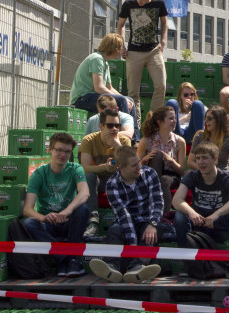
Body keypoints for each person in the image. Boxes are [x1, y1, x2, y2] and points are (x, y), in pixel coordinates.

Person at [172, 141, 229, 279]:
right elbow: (176, 200)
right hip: (199, 225)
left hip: (219, 226)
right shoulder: (192, 176)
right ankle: (187, 261)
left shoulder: (227, 177)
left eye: (205, 158)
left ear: (215, 159)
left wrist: (216, 214)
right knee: (180, 215)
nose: (201, 162)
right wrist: (191, 212)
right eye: (198, 158)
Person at [89, 146, 163, 283]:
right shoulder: (112, 184)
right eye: (134, 165)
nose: (139, 166)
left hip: (147, 220)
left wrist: (152, 224)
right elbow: (123, 215)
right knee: (114, 230)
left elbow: (157, 202)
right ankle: (111, 267)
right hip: (125, 221)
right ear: (121, 167)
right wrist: (132, 246)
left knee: (150, 234)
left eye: (139, 162)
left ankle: (138, 267)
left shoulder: (150, 174)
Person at [22, 132, 89, 277]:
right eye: (59, 150)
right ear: (50, 150)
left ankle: (69, 260)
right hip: (48, 223)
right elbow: (27, 209)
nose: (63, 155)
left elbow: (84, 193)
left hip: (68, 221)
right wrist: (43, 218)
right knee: (29, 223)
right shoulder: (39, 174)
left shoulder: (75, 168)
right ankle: (67, 260)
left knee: (82, 209)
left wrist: (67, 211)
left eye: (67, 151)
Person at [70, 33, 138, 140]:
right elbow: (99, 87)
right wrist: (122, 99)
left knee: (129, 100)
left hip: (93, 96)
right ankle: (127, 139)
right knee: (121, 100)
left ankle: (135, 139)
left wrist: (125, 98)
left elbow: (109, 87)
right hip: (82, 99)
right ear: (114, 48)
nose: (121, 51)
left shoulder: (104, 63)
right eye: (120, 47)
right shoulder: (96, 59)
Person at [117, 0, 168, 121]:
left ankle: (153, 120)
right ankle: (136, 124)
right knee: (133, 91)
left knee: (161, 86)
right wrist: (122, 45)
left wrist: (163, 41)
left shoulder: (158, 4)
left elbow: (164, 23)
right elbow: (121, 25)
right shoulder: (128, 4)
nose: (139, 1)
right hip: (134, 51)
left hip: (154, 50)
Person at [79, 108, 132, 238]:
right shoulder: (89, 140)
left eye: (117, 125)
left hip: (119, 180)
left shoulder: (124, 141)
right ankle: (92, 222)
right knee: (89, 177)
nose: (114, 129)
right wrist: (104, 167)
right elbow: (85, 168)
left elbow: (132, 168)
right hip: (99, 181)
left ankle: (124, 220)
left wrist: (118, 147)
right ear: (101, 126)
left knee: (128, 178)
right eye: (110, 125)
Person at [137, 105, 187, 215]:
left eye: (175, 118)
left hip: (171, 177)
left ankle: (164, 216)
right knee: (157, 155)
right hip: (151, 175)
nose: (175, 121)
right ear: (159, 122)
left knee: (164, 180)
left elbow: (182, 171)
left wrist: (171, 161)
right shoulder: (146, 141)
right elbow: (136, 167)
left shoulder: (179, 141)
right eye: (171, 118)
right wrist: (144, 159)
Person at [188, 106, 229, 179]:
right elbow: (190, 162)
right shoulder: (200, 137)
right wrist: (207, 171)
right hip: (202, 174)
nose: (206, 121)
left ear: (219, 120)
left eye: (209, 118)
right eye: (205, 118)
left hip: (222, 176)